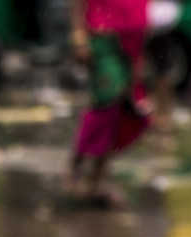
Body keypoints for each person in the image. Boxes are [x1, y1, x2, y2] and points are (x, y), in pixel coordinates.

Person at [64, 0, 151, 207]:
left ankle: (96, 181)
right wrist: (79, 38)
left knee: (121, 110)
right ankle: (73, 172)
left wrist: (141, 51)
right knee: (105, 105)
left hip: (131, 40)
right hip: (104, 39)